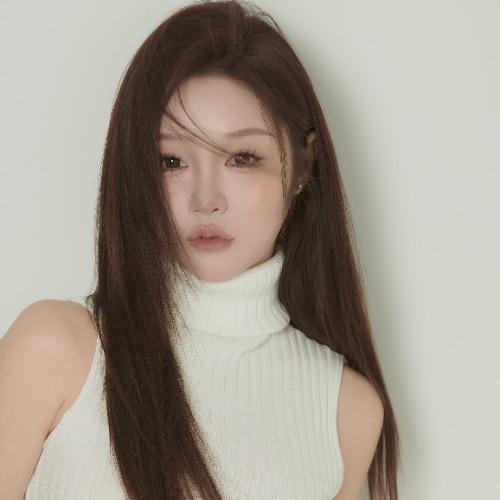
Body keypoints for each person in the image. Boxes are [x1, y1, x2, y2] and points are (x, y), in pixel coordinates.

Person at [0, 1, 401, 498]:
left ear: (302, 166)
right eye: (170, 161)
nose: (205, 200)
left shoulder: (347, 412)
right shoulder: (55, 349)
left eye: (242, 157)